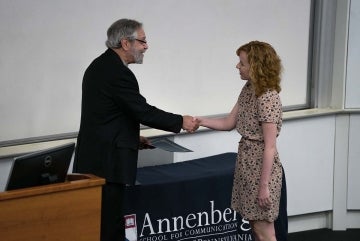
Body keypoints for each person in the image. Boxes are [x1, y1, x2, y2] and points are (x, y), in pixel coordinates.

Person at [72, 18, 199, 241]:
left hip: (97, 159)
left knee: (101, 225)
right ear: (125, 43)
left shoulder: (100, 65)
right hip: (107, 164)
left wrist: (132, 137)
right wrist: (181, 121)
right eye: (142, 41)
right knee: (109, 229)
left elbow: (109, 115)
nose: (146, 46)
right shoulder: (116, 72)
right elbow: (142, 111)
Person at [196, 41, 284, 241]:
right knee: (255, 225)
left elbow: (269, 146)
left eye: (242, 63)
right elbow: (229, 122)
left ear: (256, 66)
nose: (238, 66)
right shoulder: (249, 88)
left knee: (265, 231)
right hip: (247, 164)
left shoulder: (267, 97)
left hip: (262, 170)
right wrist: (201, 121)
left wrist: (264, 186)